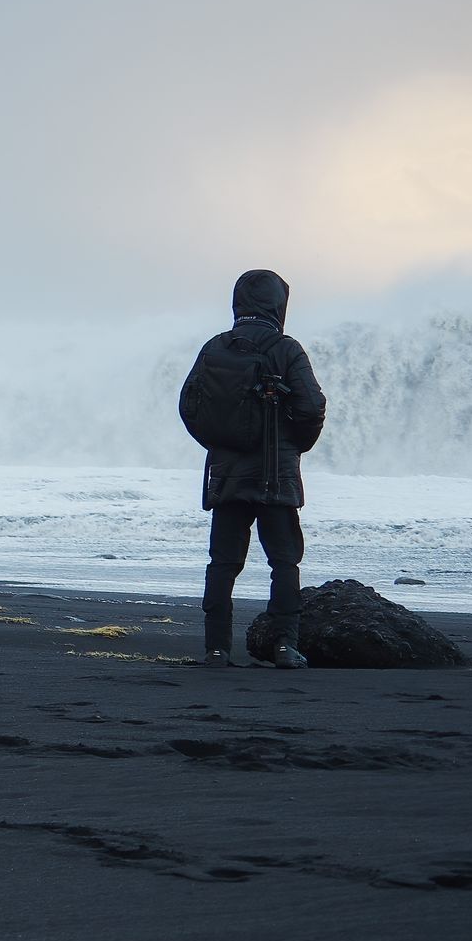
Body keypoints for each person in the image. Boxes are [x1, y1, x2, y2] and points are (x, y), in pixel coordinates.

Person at [184, 270, 327, 669]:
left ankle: (216, 649)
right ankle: (284, 645)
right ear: (278, 304)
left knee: (223, 562)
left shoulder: (216, 347)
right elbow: (312, 406)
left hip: (227, 473)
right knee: (283, 561)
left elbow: (189, 407)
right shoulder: (286, 349)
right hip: (274, 474)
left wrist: (219, 443)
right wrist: (296, 445)